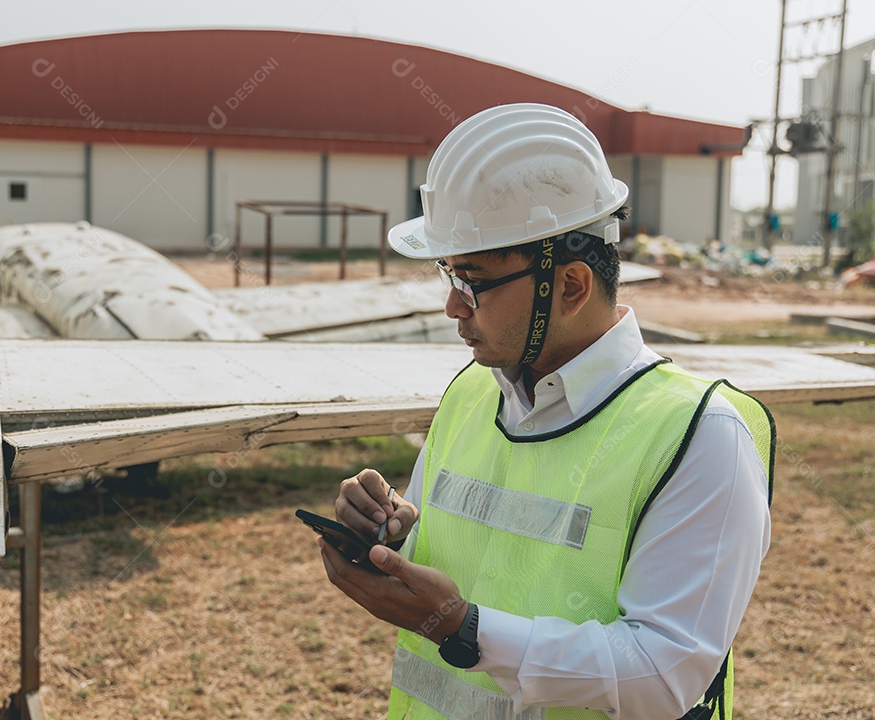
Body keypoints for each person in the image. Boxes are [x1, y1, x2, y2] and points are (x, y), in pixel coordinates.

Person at [317, 103, 773, 720]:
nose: (453, 306)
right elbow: (475, 556)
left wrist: (464, 629)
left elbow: (666, 676)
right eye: (449, 274)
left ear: (571, 287)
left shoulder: (698, 434)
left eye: (473, 279)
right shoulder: (472, 395)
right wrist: (391, 533)